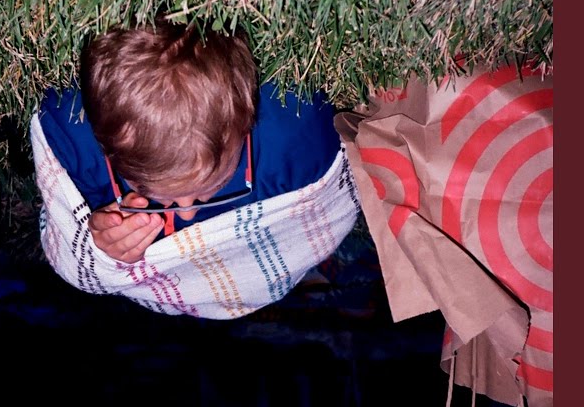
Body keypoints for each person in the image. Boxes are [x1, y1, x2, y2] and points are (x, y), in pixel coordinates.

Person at [30, 21, 360, 319]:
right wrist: (102, 246)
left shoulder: (297, 138)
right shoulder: (72, 138)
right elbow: (72, 238)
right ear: (104, 145)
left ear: (247, 121)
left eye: (210, 185)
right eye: (144, 187)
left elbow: (328, 206)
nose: (187, 212)